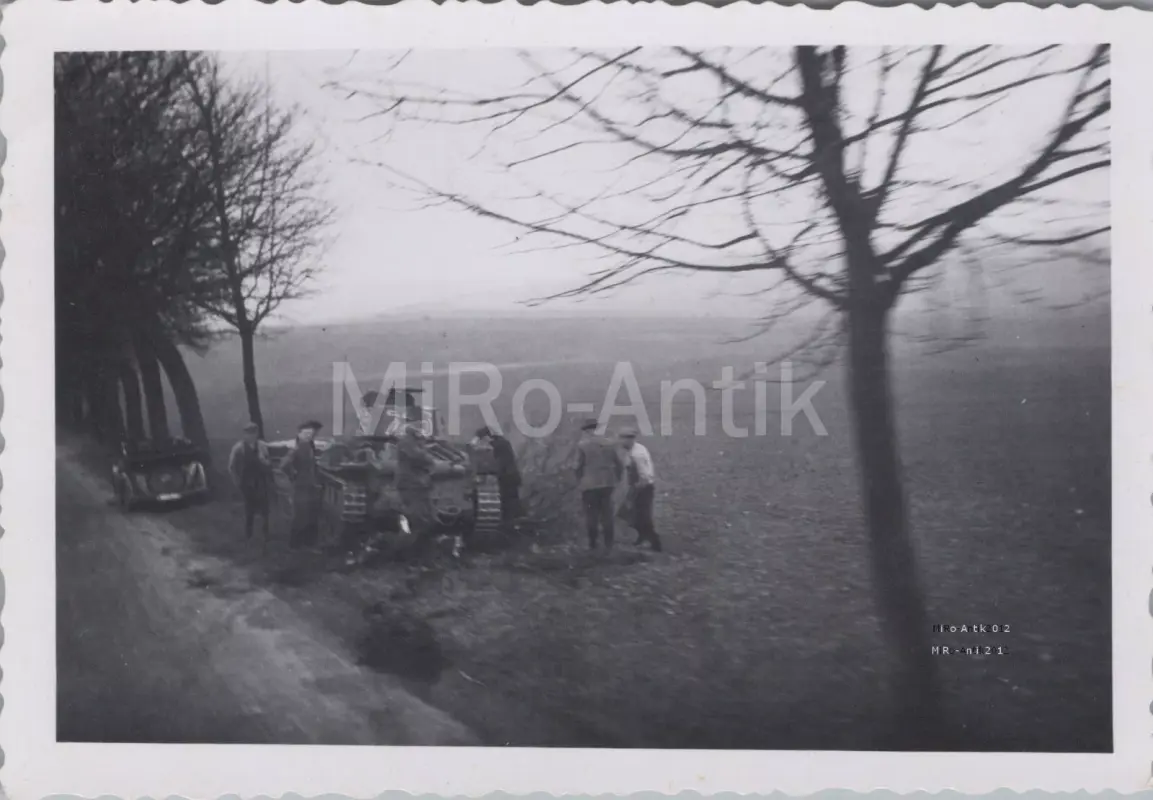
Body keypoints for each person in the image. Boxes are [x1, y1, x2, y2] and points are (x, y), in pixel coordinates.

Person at [575, 418, 623, 550]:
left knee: (592, 516)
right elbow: (619, 464)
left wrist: (579, 481)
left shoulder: (582, 445)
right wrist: (617, 479)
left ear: (586, 430)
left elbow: (578, 466)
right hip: (607, 483)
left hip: (589, 485)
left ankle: (593, 544)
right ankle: (609, 544)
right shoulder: (609, 444)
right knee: (607, 514)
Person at [279, 420, 324, 549]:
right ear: (299, 434)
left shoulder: (309, 446)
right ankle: (295, 544)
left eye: (311, 433)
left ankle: (308, 543)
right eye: (306, 433)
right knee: (301, 515)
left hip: (311, 485)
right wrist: (293, 475)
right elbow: (284, 465)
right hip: (301, 487)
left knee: (311, 514)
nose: (309, 436)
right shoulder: (298, 448)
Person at [619, 428, 662, 552]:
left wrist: (635, 490)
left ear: (629, 440)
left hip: (643, 488)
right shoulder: (636, 448)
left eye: (623, 440)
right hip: (641, 486)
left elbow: (644, 475)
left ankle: (655, 542)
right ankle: (642, 537)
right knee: (631, 513)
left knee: (643, 515)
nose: (621, 443)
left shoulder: (636, 455)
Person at [228, 422, 272, 542]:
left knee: (265, 507)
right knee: (249, 508)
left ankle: (266, 532)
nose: (251, 436)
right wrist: (237, 481)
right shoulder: (238, 448)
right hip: (246, 481)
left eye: (254, 433)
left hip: (261, 480)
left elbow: (269, 462)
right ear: (244, 435)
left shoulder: (262, 446)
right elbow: (232, 466)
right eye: (249, 433)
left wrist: (265, 463)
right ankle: (249, 533)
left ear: (257, 434)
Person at [395, 424, 438, 538]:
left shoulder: (413, 442)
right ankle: (410, 540)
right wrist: (428, 455)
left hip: (418, 484)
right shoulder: (407, 442)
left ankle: (425, 538)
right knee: (415, 514)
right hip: (410, 483)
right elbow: (417, 456)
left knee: (426, 513)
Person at [473, 426, 523, 521]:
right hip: (509, 476)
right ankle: (511, 521)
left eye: (482, 439)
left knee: (509, 503)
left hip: (507, 477)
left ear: (486, 437)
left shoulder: (498, 444)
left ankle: (510, 523)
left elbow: (496, 462)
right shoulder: (501, 442)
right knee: (510, 502)